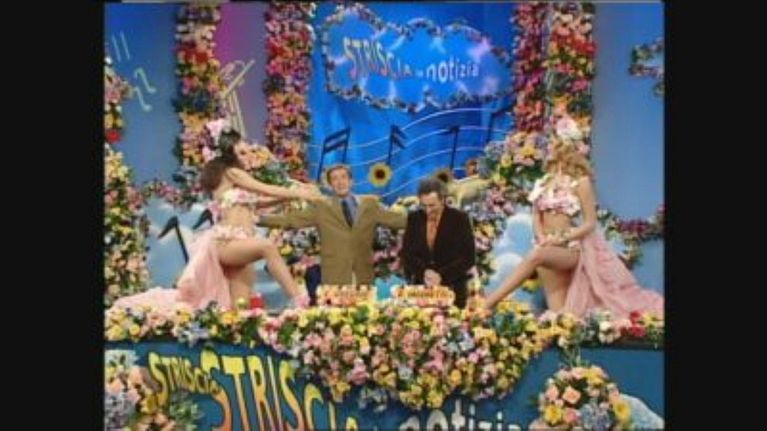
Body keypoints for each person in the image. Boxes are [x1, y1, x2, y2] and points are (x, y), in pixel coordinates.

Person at [113, 123, 321, 312]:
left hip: (242, 245)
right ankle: (299, 299)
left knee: (240, 309)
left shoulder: (236, 181)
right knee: (267, 246)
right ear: (229, 150)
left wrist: (289, 196)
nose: (248, 153)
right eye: (241, 150)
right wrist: (299, 193)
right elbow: (265, 188)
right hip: (227, 243)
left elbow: (259, 202)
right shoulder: (232, 173)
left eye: (248, 150)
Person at [483, 135, 664, 318]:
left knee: (536, 256)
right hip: (546, 244)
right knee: (559, 313)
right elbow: (536, 215)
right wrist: (541, 237)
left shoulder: (581, 182)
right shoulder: (543, 182)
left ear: (567, 150)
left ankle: (488, 303)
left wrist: (562, 238)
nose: (547, 149)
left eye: (553, 145)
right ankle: (569, 331)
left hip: (570, 248)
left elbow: (590, 223)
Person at [258, 164, 406, 288]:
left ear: (351, 181)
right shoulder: (321, 207)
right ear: (330, 185)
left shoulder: (370, 204)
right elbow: (291, 220)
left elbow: (396, 220)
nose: (340, 182)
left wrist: (420, 218)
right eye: (335, 179)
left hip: (363, 273)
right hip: (335, 275)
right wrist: (258, 219)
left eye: (343, 177)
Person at [400, 178, 476, 308]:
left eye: (432, 205)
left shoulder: (459, 219)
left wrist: (441, 276)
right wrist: (424, 272)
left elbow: (468, 257)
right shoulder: (414, 218)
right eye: (424, 205)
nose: (428, 210)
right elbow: (407, 254)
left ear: (443, 200)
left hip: (452, 290)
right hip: (421, 291)